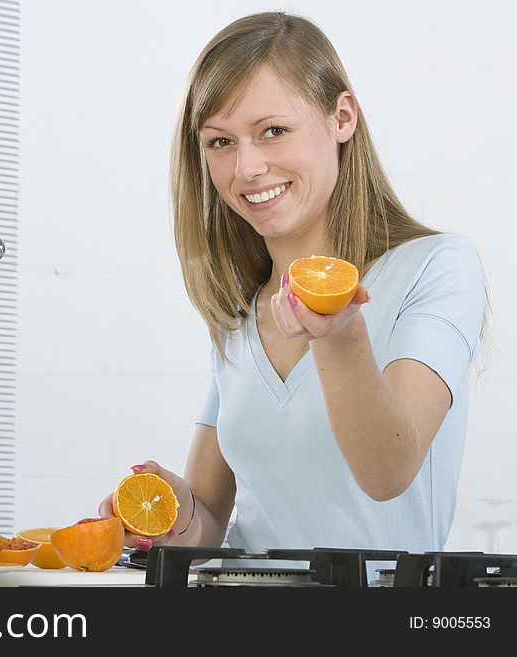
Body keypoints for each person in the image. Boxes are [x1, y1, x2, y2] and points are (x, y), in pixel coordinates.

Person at [98, 11, 487, 555]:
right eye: (220, 142)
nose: (247, 167)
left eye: (273, 131)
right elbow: (209, 522)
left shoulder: (436, 267)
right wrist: (175, 513)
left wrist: (337, 336)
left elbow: (387, 473)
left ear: (341, 118)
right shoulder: (237, 316)